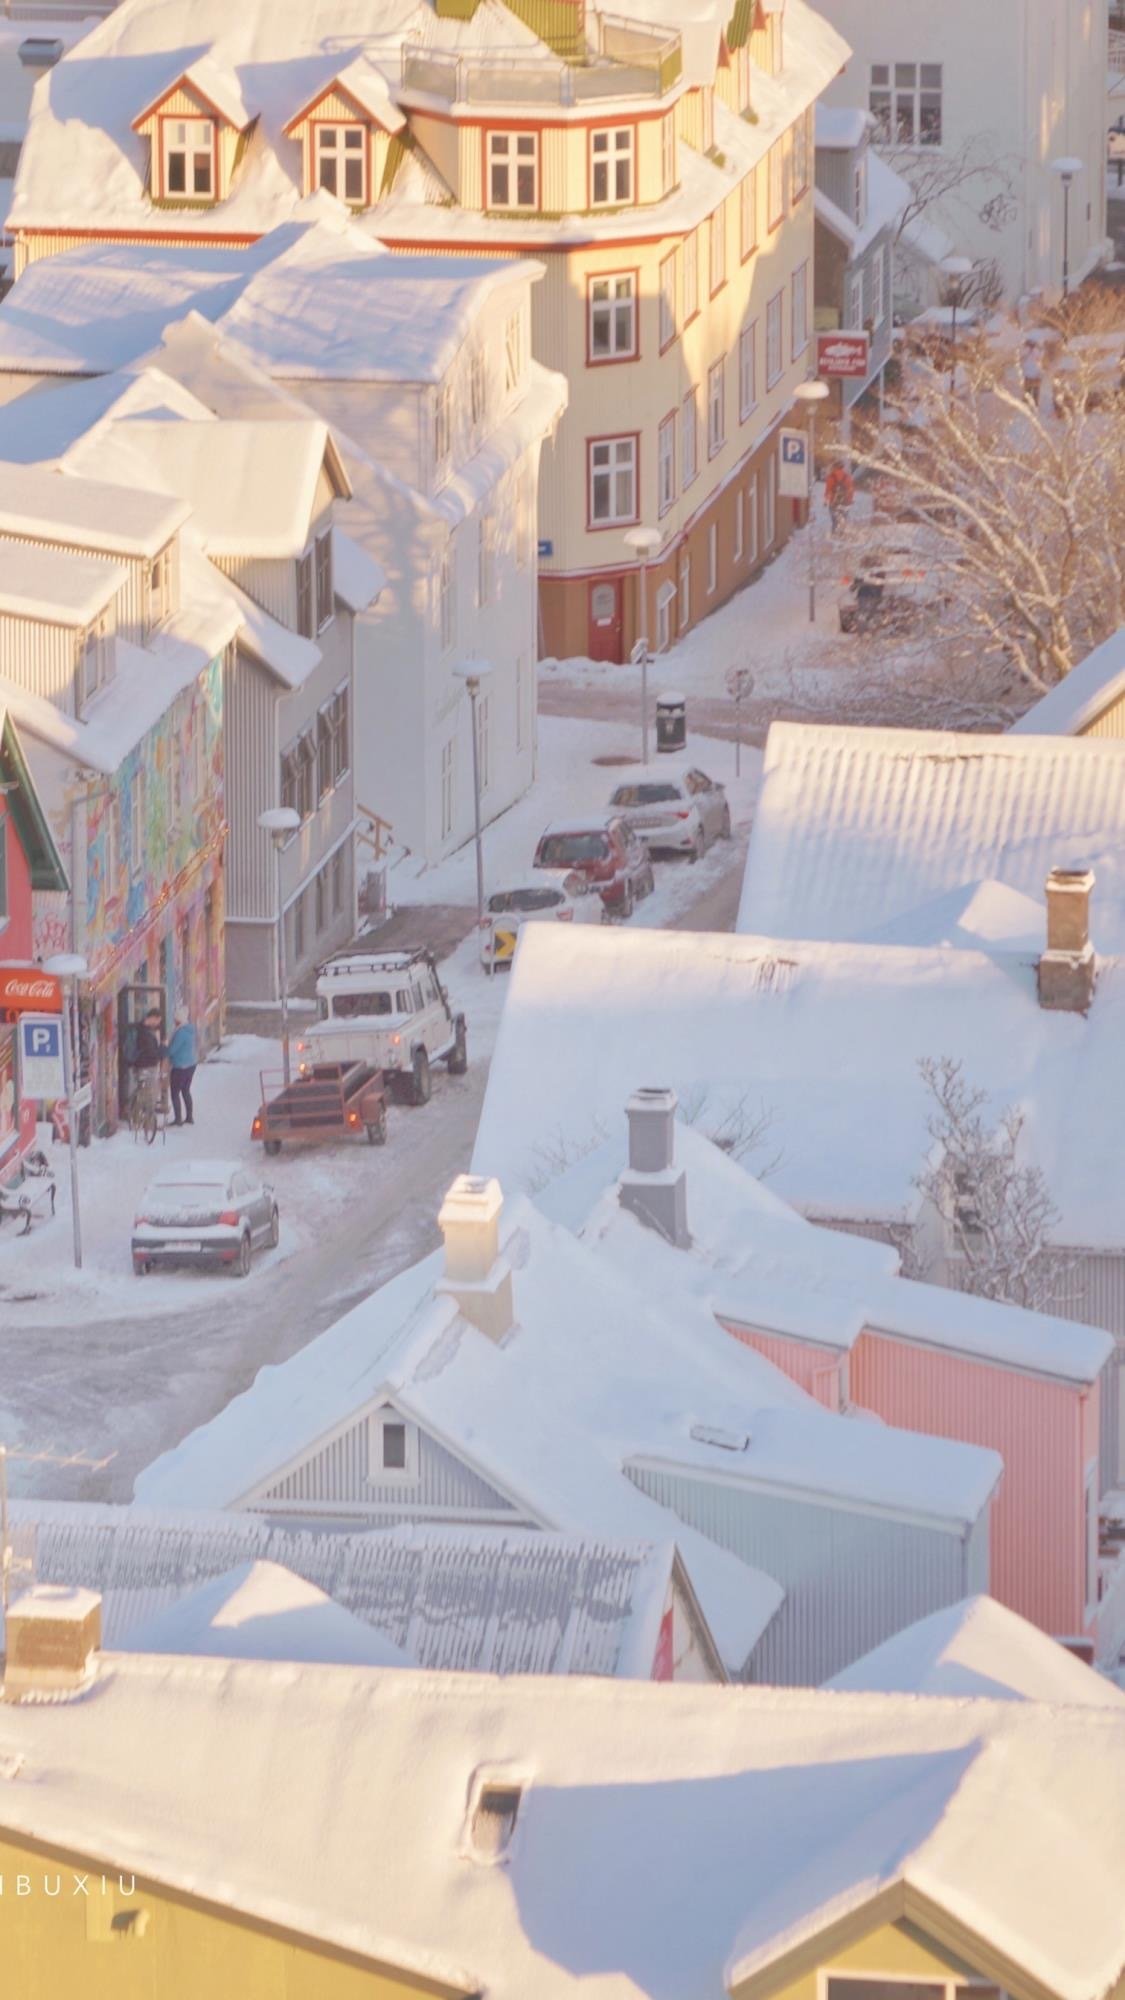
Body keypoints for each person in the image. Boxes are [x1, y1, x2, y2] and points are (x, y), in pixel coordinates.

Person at [167, 1014, 198, 1128]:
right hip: (191, 1064)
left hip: (180, 1066)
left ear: (179, 1020)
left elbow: (172, 1050)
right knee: (185, 1090)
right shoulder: (190, 1030)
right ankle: (189, 1117)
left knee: (175, 1092)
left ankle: (178, 1119)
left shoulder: (180, 1033)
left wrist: (166, 1048)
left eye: (175, 1020)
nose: (174, 1021)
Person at [825, 461, 855, 535]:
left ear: (835, 467)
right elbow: (851, 490)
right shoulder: (848, 477)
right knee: (843, 519)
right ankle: (842, 535)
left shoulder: (831, 477)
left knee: (835, 521)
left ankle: (834, 535)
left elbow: (828, 490)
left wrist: (826, 500)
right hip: (845, 502)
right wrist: (850, 500)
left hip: (834, 502)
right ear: (842, 467)